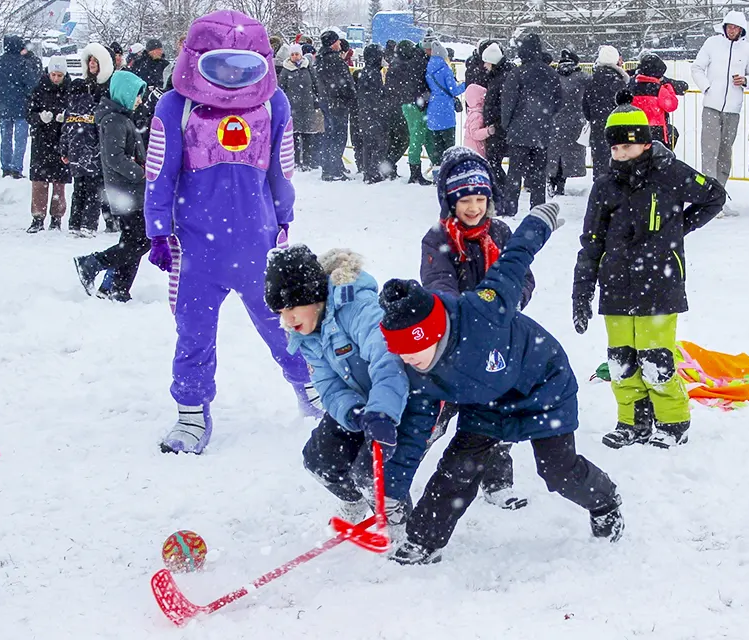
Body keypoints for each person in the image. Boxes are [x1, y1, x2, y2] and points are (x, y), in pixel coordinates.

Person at [379, 205, 624, 566]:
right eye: (401, 353)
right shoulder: (418, 373)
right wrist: (393, 491)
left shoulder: (481, 310)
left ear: (435, 334)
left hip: (543, 386)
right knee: (458, 467)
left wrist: (539, 221)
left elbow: (513, 260)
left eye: (414, 350)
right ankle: (423, 540)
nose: (409, 360)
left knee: (558, 470)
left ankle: (605, 500)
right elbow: (415, 432)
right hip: (487, 402)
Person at [143, 10, 318, 454]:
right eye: (223, 65)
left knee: (284, 325)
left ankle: (314, 392)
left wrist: (283, 220)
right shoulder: (175, 107)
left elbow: (282, 168)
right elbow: (159, 173)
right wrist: (159, 230)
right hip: (195, 245)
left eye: (244, 66)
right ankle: (190, 415)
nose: (234, 77)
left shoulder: (273, 103)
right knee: (194, 332)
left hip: (258, 242)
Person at [572, 104, 726, 450]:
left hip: (660, 282)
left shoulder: (669, 173)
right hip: (616, 287)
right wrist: (581, 295)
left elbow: (714, 196)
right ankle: (633, 422)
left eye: (627, 146)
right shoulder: (605, 186)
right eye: (614, 148)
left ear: (644, 143)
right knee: (621, 362)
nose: (620, 153)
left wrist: (677, 231)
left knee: (656, 360)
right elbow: (591, 244)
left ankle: (672, 422)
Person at [265, 246, 424, 529]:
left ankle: (401, 524)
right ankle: (355, 499)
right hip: (365, 404)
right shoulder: (306, 335)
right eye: (280, 311)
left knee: (370, 472)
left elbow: (388, 362)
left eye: (291, 307)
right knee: (319, 461)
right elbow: (328, 385)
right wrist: (354, 413)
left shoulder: (357, 309)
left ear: (311, 296)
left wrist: (381, 414)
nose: (286, 319)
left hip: (404, 400)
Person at [418, 147, 534, 511]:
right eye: (465, 199)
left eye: (480, 198)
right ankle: (396, 477)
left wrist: (508, 301)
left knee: (497, 407)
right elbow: (439, 285)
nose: (473, 207)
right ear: (450, 200)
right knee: (432, 417)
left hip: (499, 338)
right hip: (453, 343)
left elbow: (523, 277)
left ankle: (498, 480)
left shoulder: (500, 232)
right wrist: (469, 312)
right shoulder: (438, 237)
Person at [73, 71, 150, 302]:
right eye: (137, 95)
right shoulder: (114, 120)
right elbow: (114, 158)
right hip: (126, 191)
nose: (140, 101)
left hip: (129, 190)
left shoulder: (121, 118)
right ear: (125, 93)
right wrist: (142, 172)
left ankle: (115, 288)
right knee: (141, 241)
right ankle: (92, 263)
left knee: (132, 242)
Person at [691, 10, 749, 195]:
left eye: (736, 27)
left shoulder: (748, 50)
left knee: (725, 152)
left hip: (733, 109)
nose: (732, 30)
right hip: (711, 106)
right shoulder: (712, 43)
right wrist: (707, 87)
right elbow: (697, 68)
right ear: (724, 27)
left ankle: (719, 194)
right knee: (709, 150)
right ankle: (708, 194)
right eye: (729, 26)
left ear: (741, 30)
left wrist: (745, 81)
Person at [501, 33, 562, 217]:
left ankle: (510, 208)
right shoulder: (550, 73)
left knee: (514, 172)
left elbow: (508, 103)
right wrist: (546, 118)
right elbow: (559, 101)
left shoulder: (516, 73)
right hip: (542, 131)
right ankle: (537, 209)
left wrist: (507, 124)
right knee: (538, 174)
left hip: (518, 130)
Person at [59, 43, 115, 236]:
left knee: (90, 188)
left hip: (94, 144)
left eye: (95, 60)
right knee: (88, 188)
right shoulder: (82, 88)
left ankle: (87, 222)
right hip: (86, 145)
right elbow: (68, 126)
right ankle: (84, 224)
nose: (91, 64)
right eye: (89, 60)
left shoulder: (108, 85)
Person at [0, 34, 40, 179]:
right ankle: (16, 168)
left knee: (5, 138)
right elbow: (32, 86)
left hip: (3, 108)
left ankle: (6, 167)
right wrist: (27, 99)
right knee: (20, 139)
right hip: (21, 108)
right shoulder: (23, 64)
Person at [26, 56, 72, 233]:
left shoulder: (70, 90)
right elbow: (28, 113)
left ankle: (57, 218)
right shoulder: (38, 89)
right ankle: (37, 218)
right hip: (42, 140)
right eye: (53, 74)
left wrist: (65, 118)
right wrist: (39, 118)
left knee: (59, 182)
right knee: (39, 182)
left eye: (59, 75)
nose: (56, 78)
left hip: (61, 140)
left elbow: (75, 111)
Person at [386, 40, 435, 185]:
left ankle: (392, 167)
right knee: (416, 138)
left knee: (412, 138)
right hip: (412, 106)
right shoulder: (409, 66)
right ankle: (414, 173)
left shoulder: (396, 65)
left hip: (401, 106)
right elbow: (414, 85)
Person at [547, 49, 589, 196]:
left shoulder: (552, 77)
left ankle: (552, 180)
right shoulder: (582, 77)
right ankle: (561, 183)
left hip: (554, 121)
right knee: (569, 154)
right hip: (574, 122)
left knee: (554, 154)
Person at [583, 45, 629, 180]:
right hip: (617, 127)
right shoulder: (619, 82)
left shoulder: (591, 81)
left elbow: (585, 107)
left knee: (599, 161)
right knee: (617, 160)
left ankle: (600, 190)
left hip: (598, 127)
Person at [315, 31, 355, 181]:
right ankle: (333, 169)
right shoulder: (335, 61)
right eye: (337, 41)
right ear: (333, 43)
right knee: (338, 136)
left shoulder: (319, 59)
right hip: (337, 103)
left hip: (326, 102)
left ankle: (330, 166)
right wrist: (351, 97)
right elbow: (345, 84)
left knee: (329, 135)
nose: (339, 44)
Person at [278, 44, 324, 171]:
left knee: (308, 135)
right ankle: (296, 161)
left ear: (301, 54)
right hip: (293, 107)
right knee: (294, 136)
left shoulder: (308, 68)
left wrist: (316, 99)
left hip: (308, 106)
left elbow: (316, 85)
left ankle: (309, 160)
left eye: (296, 54)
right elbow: (281, 88)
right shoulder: (286, 70)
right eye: (292, 54)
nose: (294, 57)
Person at [627, 54, 679, 147]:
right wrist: (669, 89)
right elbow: (671, 105)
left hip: (634, 128)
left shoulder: (631, 88)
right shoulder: (659, 89)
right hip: (656, 130)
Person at [354, 44, 389, 183]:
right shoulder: (374, 73)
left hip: (365, 113)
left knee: (368, 144)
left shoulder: (365, 71)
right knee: (377, 144)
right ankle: (373, 173)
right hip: (373, 114)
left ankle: (368, 172)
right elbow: (377, 96)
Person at [425, 42, 465, 162]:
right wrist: (466, 84)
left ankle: (437, 173)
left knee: (437, 147)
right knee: (449, 148)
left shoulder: (428, 68)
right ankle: (449, 173)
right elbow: (453, 90)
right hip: (445, 111)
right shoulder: (445, 69)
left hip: (433, 109)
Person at [480, 42, 512, 190]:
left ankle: (503, 188)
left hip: (499, 126)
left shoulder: (500, 78)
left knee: (493, 159)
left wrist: (497, 124)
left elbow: (503, 104)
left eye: (486, 61)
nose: (484, 65)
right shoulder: (501, 75)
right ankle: (504, 187)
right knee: (494, 159)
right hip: (499, 125)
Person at [462, 83, 491, 158]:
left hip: (470, 148)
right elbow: (475, 133)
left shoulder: (472, 112)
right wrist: (487, 131)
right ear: (479, 99)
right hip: (476, 149)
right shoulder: (477, 115)